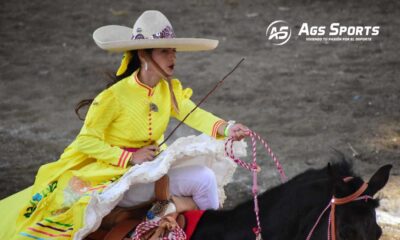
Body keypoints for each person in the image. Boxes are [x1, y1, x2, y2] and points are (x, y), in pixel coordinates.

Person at [0, 10, 249, 239]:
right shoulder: (113, 97)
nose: (173, 56)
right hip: (115, 179)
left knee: (204, 177)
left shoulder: (168, 90)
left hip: (151, 175)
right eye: (164, 51)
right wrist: (128, 158)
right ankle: (170, 207)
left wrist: (228, 129)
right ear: (143, 54)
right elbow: (86, 141)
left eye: (173, 50)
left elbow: (194, 114)